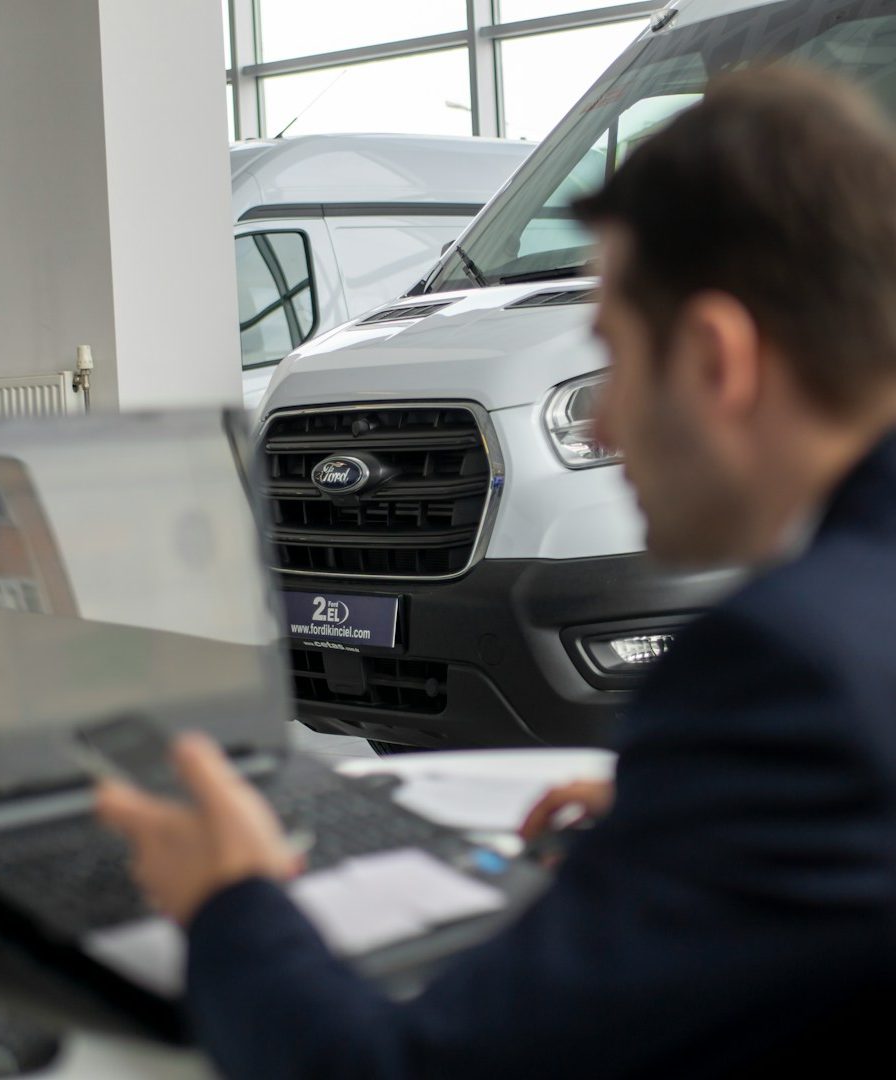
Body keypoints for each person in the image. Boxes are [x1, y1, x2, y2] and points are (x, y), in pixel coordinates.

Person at [99, 67, 896, 1076]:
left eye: (615, 361)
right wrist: (704, 818)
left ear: (714, 359)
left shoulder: (787, 671)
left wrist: (229, 899)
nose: (605, 425)